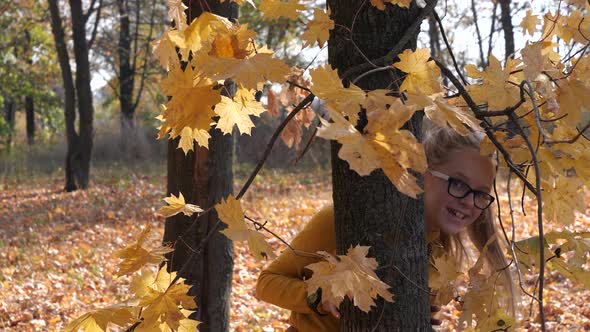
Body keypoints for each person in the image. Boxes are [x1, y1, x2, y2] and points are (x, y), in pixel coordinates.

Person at [255, 122, 516, 331]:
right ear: (421, 171)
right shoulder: (341, 222)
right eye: (458, 183)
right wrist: (318, 297)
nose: (469, 202)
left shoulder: (439, 255)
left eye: (481, 193)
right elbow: (266, 283)